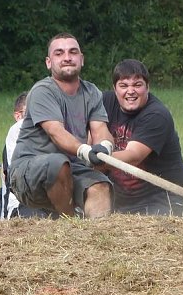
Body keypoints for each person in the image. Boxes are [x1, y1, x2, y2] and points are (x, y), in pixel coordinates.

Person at [9, 33, 114, 218]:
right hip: (28, 171)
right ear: (49, 62)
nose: (67, 57)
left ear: (81, 59)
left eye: (73, 52)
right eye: (59, 53)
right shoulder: (42, 91)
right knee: (58, 164)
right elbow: (56, 132)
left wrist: (104, 147)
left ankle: (97, 238)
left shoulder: (92, 92)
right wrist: (85, 151)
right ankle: (70, 228)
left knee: (101, 186)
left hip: (70, 166)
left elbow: (100, 129)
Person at [101, 59, 183, 216]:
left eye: (137, 85)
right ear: (114, 89)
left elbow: (134, 156)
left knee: (160, 234)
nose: (130, 91)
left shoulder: (157, 115)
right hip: (123, 198)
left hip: (162, 195)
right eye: (123, 85)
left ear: (147, 87)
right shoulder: (104, 102)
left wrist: (95, 158)